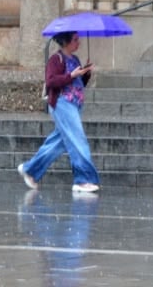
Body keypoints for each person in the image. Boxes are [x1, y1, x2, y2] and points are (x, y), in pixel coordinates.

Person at [17, 30, 100, 193]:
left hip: (74, 104)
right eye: (76, 40)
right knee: (78, 139)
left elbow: (78, 82)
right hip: (62, 104)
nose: (79, 43)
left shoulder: (75, 59)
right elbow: (51, 81)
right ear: (66, 41)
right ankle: (83, 179)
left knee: (58, 143)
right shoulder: (56, 59)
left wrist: (86, 74)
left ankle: (30, 170)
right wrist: (71, 75)